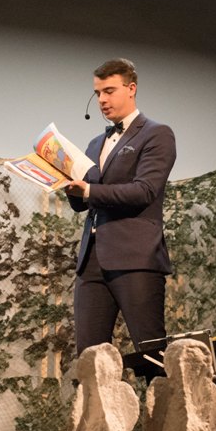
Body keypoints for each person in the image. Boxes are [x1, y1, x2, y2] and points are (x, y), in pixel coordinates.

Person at [66, 58, 177, 361]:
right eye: (97, 93)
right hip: (92, 260)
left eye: (109, 91)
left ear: (131, 88)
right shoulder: (94, 144)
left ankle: (161, 395)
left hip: (135, 256)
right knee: (90, 359)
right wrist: (67, 186)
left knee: (151, 353)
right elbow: (82, 203)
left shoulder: (156, 133)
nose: (102, 99)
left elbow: (144, 191)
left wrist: (89, 191)